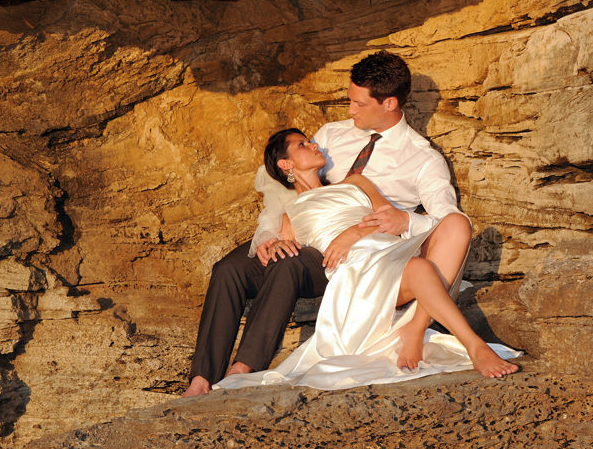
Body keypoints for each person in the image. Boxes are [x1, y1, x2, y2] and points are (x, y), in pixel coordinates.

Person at [183, 51, 472, 397]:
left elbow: (446, 220)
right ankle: (201, 378)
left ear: (391, 103)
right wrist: (270, 234)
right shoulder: (333, 135)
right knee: (229, 269)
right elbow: (282, 179)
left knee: (287, 266)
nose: (350, 111)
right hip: (304, 230)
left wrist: (405, 219)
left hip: (353, 252)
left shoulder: (422, 158)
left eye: (358, 104)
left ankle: (244, 371)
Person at [213, 129, 518, 390]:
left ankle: (415, 328)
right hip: (357, 273)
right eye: (303, 145)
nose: (315, 145)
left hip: (389, 248)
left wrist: (352, 233)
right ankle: (474, 346)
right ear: (286, 164)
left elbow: (388, 217)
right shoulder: (288, 217)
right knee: (419, 268)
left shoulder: (357, 183)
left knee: (456, 223)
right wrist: (271, 243)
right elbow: (275, 250)